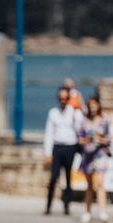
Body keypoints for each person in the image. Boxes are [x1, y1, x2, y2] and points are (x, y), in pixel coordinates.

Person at [44, 87, 83, 215]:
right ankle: (48, 205)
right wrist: (48, 152)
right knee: (53, 177)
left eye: (65, 98)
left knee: (68, 178)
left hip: (70, 147)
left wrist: (78, 104)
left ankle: (66, 205)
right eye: (61, 98)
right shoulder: (53, 113)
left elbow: (81, 125)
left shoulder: (75, 113)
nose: (63, 100)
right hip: (57, 147)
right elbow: (49, 133)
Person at [78, 97, 110, 223]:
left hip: (100, 155)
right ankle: (87, 211)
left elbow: (109, 138)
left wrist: (101, 140)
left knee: (100, 184)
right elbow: (79, 139)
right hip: (88, 156)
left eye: (94, 105)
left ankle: (102, 211)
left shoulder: (104, 121)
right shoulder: (84, 122)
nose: (92, 108)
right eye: (90, 105)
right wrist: (89, 140)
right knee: (89, 185)